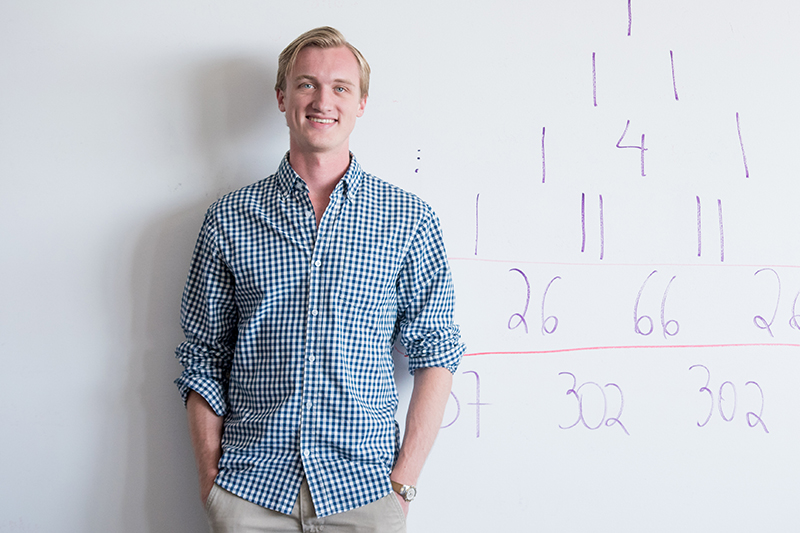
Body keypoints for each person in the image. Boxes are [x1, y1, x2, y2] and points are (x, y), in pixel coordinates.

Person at [175, 26, 464, 532]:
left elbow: (436, 351)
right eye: (307, 84)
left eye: (340, 87)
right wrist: (210, 482)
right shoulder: (229, 219)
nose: (322, 100)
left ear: (362, 103)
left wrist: (404, 484)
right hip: (250, 493)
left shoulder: (408, 220)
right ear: (283, 97)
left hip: (366, 493)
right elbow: (203, 355)